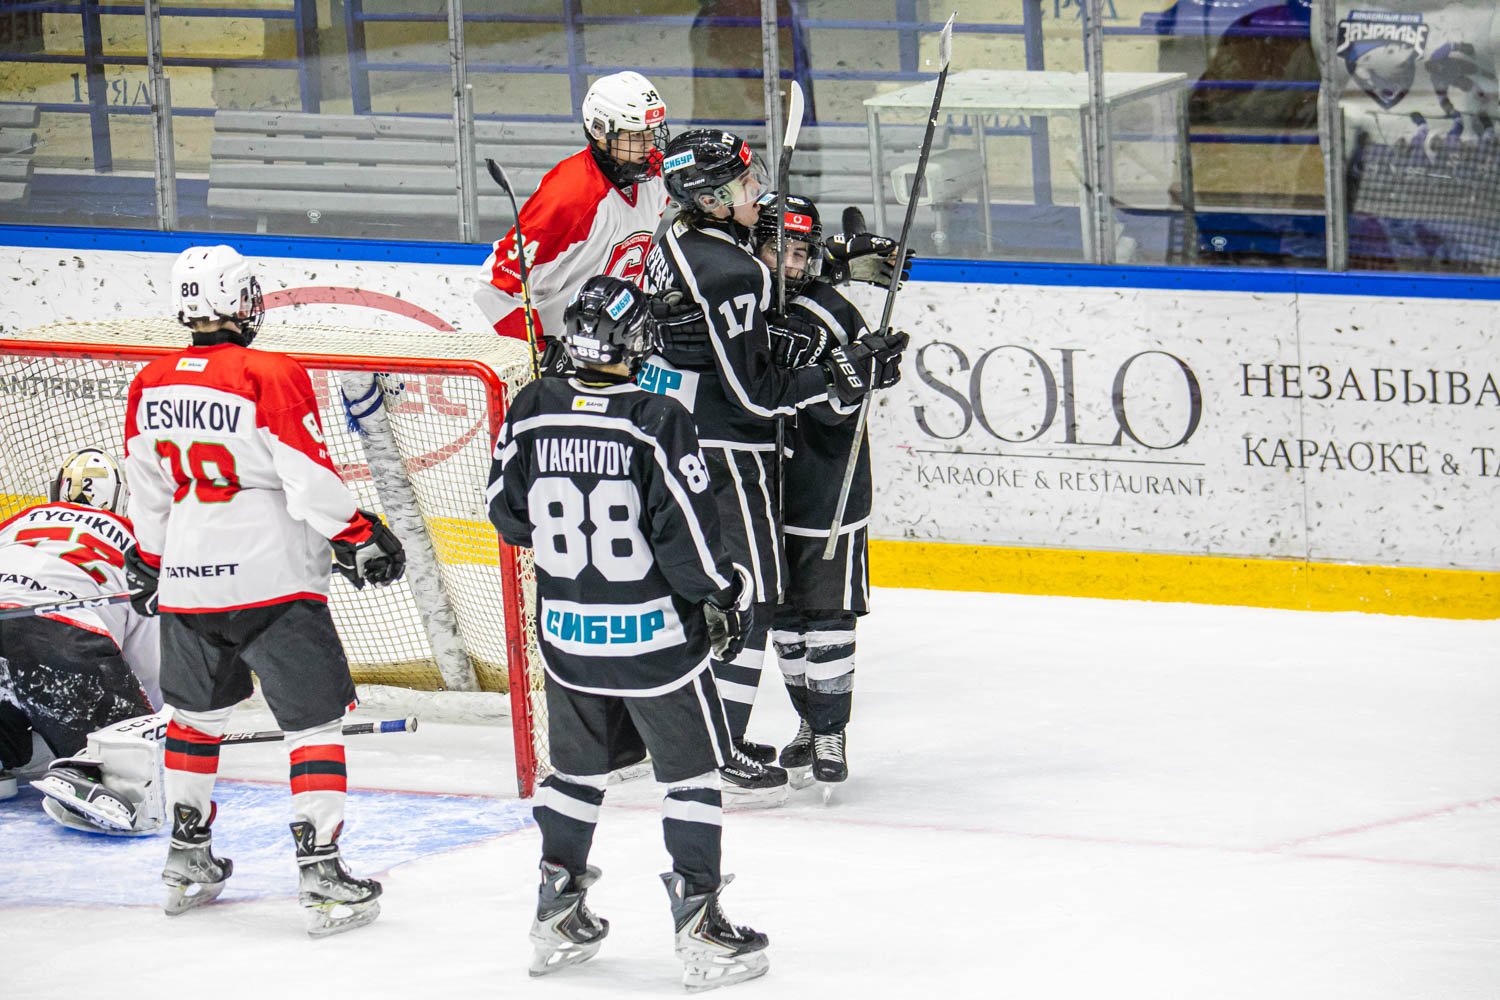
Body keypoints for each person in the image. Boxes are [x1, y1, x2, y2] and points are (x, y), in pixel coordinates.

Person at [488, 274, 770, 991]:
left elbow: (507, 516)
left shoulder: (531, 406)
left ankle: (557, 910)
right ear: (636, 341)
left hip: (568, 637)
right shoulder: (656, 417)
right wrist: (726, 592)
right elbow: (688, 539)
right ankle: (700, 924)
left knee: (575, 773)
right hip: (653, 642)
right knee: (690, 775)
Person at [122, 244, 406, 936]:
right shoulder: (268, 372)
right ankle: (322, 871)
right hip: (272, 581)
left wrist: (152, 562)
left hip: (187, 581)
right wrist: (358, 532)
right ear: (235, 300)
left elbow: (147, 489)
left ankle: (186, 858)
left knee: (194, 723)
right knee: (313, 727)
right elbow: (304, 473)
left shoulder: (149, 381)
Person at [640, 127, 907, 800]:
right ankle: (718, 749)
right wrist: (843, 373)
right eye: (743, 184)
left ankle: (710, 738)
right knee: (752, 597)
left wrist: (831, 259)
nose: (756, 190)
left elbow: (747, 280)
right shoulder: (733, 273)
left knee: (727, 593)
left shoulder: (673, 233)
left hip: (677, 436)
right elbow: (758, 393)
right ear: (709, 198)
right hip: (729, 453)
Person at [752, 195, 898, 796]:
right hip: (762, 484)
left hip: (827, 481)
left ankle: (832, 732)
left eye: (801, 253)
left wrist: (858, 374)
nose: (791, 264)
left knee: (828, 611)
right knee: (783, 614)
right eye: (778, 250)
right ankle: (809, 722)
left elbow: (845, 405)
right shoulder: (739, 303)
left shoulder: (835, 312)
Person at [0, 448, 162, 830]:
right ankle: (86, 771)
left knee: (20, 710)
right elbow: (149, 667)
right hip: (58, 636)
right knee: (137, 764)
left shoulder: (12, 525)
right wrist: (148, 729)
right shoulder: (136, 544)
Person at [475, 70, 671, 369]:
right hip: (563, 360)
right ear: (600, 132)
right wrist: (538, 350)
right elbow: (495, 285)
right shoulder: (569, 197)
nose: (648, 145)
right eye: (635, 135)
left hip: (617, 353)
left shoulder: (653, 176)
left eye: (651, 133)